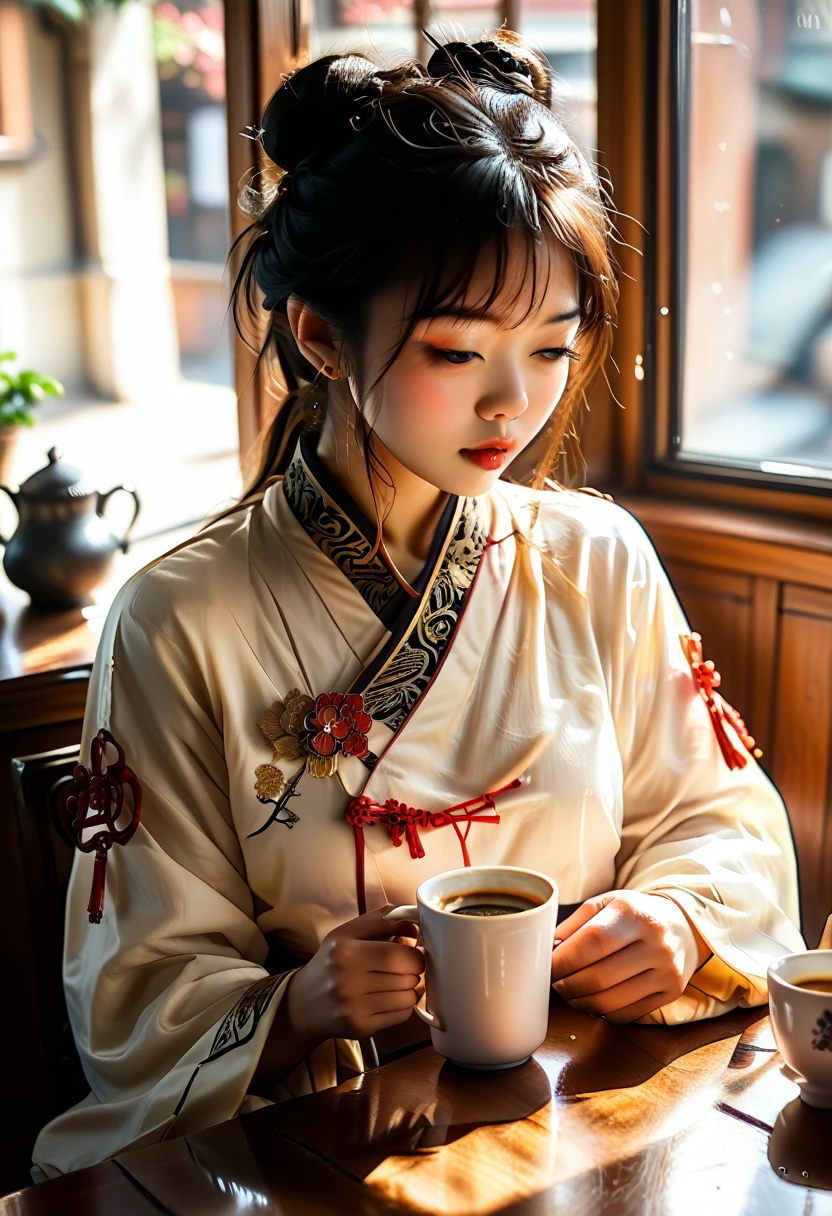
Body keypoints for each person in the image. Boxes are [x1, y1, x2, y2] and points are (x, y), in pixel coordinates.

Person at [33, 30, 804, 1179]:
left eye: (552, 347)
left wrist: (681, 918)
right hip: (320, 1142)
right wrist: (298, 1003)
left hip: (589, 1109)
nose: (514, 403)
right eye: (456, 348)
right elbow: (138, 986)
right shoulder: (178, 617)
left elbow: (723, 821)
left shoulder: (597, 556)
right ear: (319, 336)